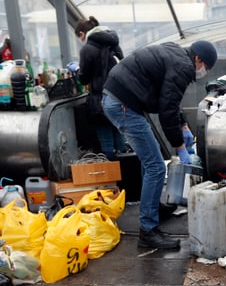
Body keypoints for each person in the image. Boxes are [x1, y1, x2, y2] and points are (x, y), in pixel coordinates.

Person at [102, 40, 217, 249]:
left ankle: (153, 207)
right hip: (123, 104)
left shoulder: (176, 54)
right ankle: (148, 230)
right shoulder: (184, 66)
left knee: (150, 162)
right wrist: (180, 147)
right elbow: (166, 110)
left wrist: (183, 125)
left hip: (119, 97)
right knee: (155, 166)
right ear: (198, 59)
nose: (203, 72)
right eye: (206, 67)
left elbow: (169, 99)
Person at [68, 16, 127, 160]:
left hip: (99, 99)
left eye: (79, 37)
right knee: (119, 135)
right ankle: (126, 172)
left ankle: (112, 177)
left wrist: (76, 69)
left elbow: (84, 78)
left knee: (105, 138)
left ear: (82, 34)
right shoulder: (113, 43)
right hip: (118, 96)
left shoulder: (87, 49)